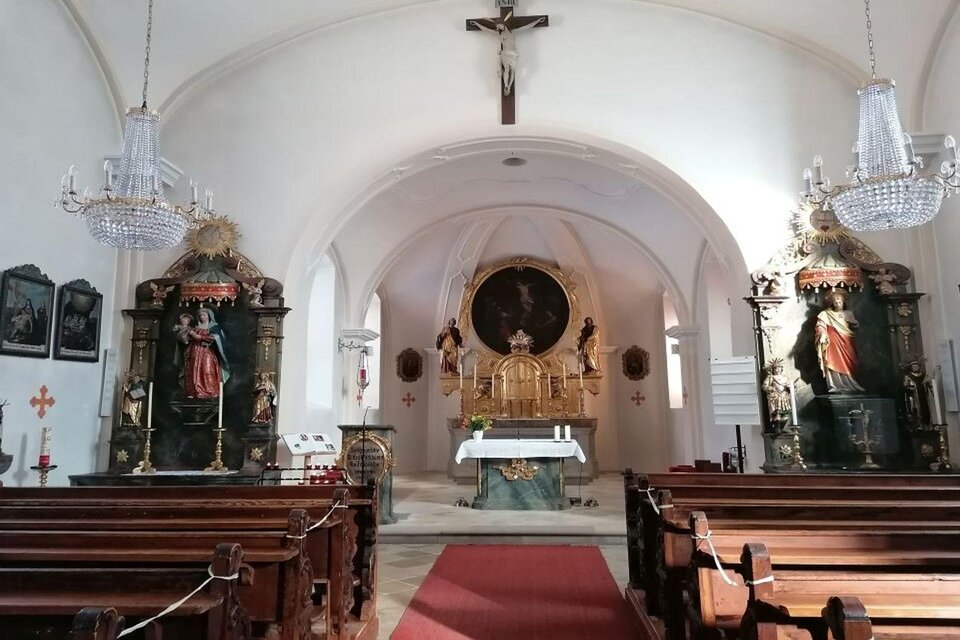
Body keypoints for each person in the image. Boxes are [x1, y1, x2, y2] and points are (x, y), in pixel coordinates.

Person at [469, 14, 547, 96]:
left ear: (503, 24)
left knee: (512, 70)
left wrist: (538, 20)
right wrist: (476, 24)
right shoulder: (499, 34)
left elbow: (527, 27)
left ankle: (509, 86)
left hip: (513, 54)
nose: (498, 27)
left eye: (499, 25)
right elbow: (486, 29)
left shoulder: (513, 32)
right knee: (507, 69)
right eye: (497, 27)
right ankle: (506, 85)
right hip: (505, 53)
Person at [815, 290, 865, 393]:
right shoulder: (826, 314)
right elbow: (820, 325)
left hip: (847, 339)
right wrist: (823, 333)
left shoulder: (848, 313)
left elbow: (855, 325)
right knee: (833, 360)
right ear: (832, 303)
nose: (838, 304)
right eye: (835, 302)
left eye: (840, 302)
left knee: (850, 361)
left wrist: (855, 323)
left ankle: (852, 383)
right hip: (833, 341)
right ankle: (836, 384)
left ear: (843, 302)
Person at [175, 307, 230, 398]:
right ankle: (193, 391)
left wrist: (200, 337)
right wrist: (188, 336)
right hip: (195, 351)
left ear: (209, 316)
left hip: (207, 352)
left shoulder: (214, 327)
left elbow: (216, 338)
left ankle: (210, 391)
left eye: (203, 315)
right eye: (200, 315)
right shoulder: (195, 328)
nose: (202, 317)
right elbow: (186, 339)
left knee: (207, 370)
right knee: (193, 370)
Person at [760, 359, 792, 428]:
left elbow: (790, 386)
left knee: (785, 415)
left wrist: (790, 387)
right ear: (772, 370)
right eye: (775, 368)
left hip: (784, 397)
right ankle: (777, 428)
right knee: (777, 414)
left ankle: (781, 427)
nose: (777, 370)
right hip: (775, 397)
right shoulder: (770, 377)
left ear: (781, 369)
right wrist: (770, 388)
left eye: (779, 368)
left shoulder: (785, 378)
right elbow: (764, 386)